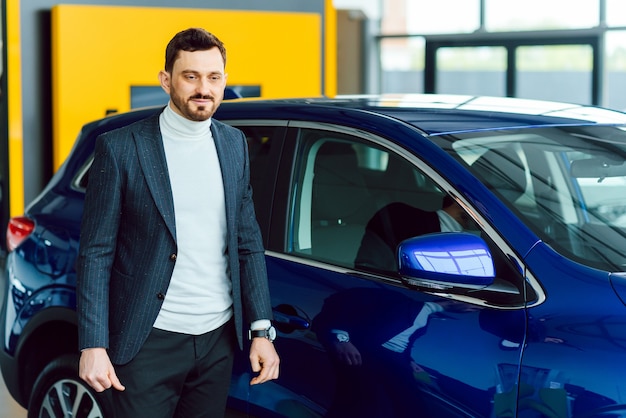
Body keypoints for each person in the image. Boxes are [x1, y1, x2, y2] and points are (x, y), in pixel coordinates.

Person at [76, 28, 279, 418]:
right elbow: (96, 253)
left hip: (217, 338)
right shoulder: (121, 148)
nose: (204, 88)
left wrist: (260, 331)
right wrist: (92, 345)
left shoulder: (233, 144)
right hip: (146, 340)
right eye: (191, 76)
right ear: (166, 80)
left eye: (213, 77)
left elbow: (247, 242)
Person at [355, 195, 471, 271]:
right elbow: (369, 270)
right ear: (460, 202)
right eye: (474, 203)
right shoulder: (397, 217)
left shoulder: (472, 237)